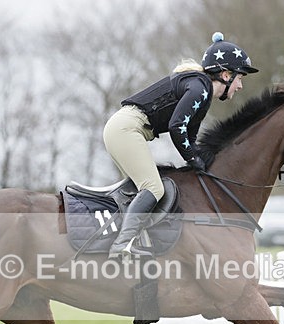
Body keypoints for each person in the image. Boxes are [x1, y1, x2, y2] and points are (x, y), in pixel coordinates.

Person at [104, 32, 258, 259]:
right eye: (240, 77)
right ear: (226, 75)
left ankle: (127, 240)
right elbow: (178, 127)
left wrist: (199, 158)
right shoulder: (200, 89)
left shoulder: (201, 93)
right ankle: (122, 247)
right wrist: (192, 159)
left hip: (123, 128)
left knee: (140, 192)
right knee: (153, 189)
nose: (240, 85)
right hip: (127, 129)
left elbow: (190, 139)